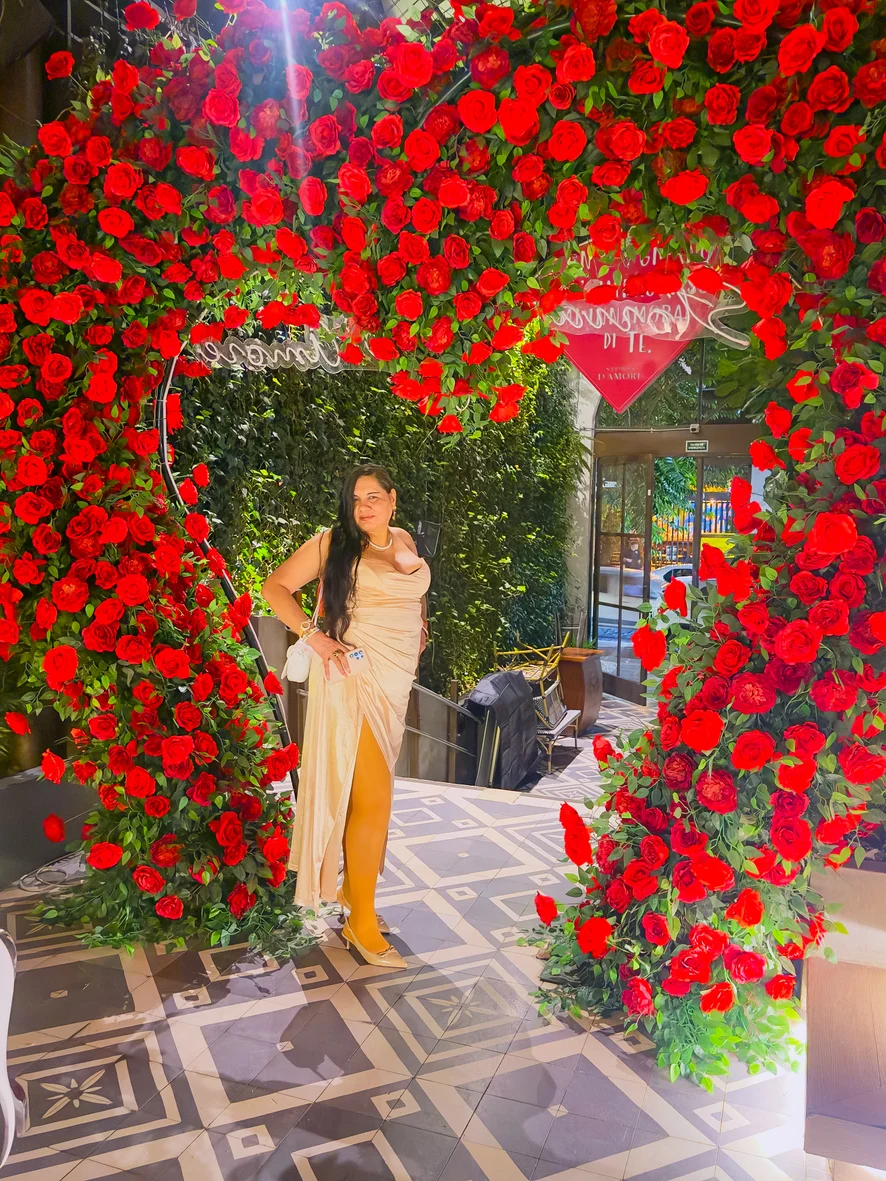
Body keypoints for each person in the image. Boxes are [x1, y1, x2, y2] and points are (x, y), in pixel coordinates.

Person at [262, 464, 430, 969]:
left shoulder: (402, 539)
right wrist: (314, 637)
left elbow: (411, 592)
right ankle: (361, 923)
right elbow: (274, 588)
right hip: (354, 681)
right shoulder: (332, 543)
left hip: (395, 683)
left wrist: (421, 627)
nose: (364, 507)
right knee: (374, 800)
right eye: (356, 499)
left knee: (368, 797)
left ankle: (355, 894)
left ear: (393, 500)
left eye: (373, 497)